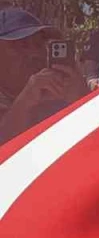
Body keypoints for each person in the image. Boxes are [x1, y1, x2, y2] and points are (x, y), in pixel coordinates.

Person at [0, 8, 87, 144]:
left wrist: (83, 100)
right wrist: (25, 102)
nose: (34, 53)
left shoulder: (58, 93)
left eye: (39, 44)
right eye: (20, 45)